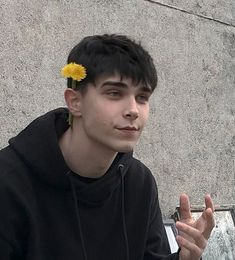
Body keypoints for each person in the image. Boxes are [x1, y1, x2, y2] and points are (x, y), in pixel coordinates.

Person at [0, 34, 215, 260]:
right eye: (114, 93)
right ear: (75, 101)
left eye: (142, 97)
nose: (133, 110)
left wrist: (185, 258)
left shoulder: (139, 182)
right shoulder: (9, 182)